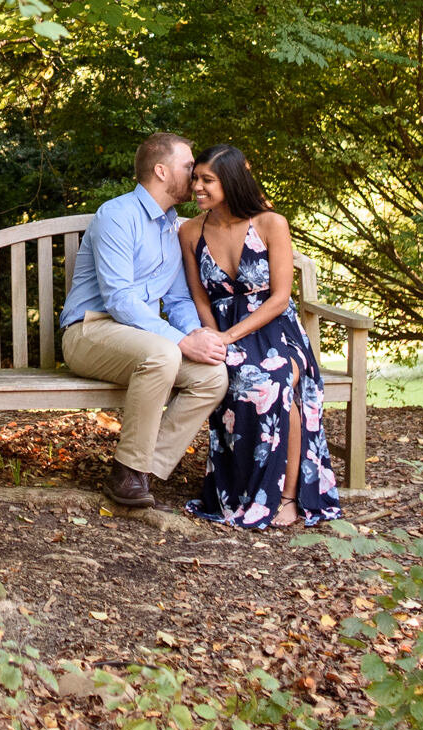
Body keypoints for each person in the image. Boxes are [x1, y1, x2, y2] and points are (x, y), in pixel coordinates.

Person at [58, 132, 230, 509]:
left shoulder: (174, 227)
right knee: (165, 355)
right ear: (161, 170)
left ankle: (140, 470)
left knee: (212, 376)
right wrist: (180, 342)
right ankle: (128, 469)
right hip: (90, 331)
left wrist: (200, 335)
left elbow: (180, 298)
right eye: (188, 167)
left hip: (142, 340)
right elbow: (120, 300)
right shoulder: (117, 215)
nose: (197, 174)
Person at [178, 144, 339, 528]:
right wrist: (214, 337)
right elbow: (200, 294)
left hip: (273, 329)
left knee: (278, 378)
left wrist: (231, 337)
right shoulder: (189, 231)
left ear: (230, 181)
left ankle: (286, 496)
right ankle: (237, 490)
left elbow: (281, 296)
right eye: (195, 178)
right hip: (218, 329)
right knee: (231, 378)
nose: (197, 187)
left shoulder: (270, 223)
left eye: (207, 180)